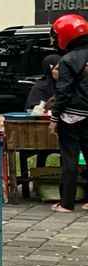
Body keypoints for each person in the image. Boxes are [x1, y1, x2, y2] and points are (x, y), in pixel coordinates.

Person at [50, 13, 88, 213]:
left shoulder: (67, 60)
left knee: (69, 158)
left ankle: (66, 203)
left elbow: (63, 92)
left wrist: (55, 117)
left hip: (71, 116)